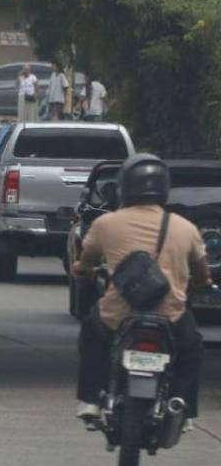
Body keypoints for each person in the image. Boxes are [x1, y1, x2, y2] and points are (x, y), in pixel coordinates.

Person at [71, 153, 209, 422]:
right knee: (192, 348)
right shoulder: (186, 228)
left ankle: (90, 399)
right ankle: (184, 408)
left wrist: (82, 270)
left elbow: (86, 261)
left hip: (118, 316)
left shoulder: (105, 223)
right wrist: (200, 283)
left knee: (91, 334)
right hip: (170, 315)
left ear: (124, 187)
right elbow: (202, 274)